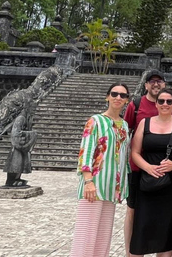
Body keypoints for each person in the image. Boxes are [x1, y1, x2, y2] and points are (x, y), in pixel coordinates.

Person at [70, 83, 130, 257]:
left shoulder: (124, 125)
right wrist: (88, 181)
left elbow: (124, 156)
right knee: (86, 236)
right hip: (94, 184)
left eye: (123, 95)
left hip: (111, 187)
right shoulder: (95, 121)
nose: (118, 98)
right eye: (115, 94)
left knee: (103, 237)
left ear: (126, 100)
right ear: (107, 97)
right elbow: (86, 151)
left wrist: (123, 187)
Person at [130, 88, 172, 257]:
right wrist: (148, 167)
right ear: (156, 104)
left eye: (169, 101)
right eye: (161, 101)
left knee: (167, 228)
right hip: (148, 180)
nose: (165, 104)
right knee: (142, 226)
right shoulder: (145, 123)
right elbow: (135, 152)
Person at [122, 69, 172, 256]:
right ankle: (131, 251)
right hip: (138, 168)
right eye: (151, 81)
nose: (155, 84)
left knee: (163, 213)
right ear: (145, 85)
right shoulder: (136, 105)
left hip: (164, 168)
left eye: (159, 81)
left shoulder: (171, 106)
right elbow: (124, 131)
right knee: (133, 210)